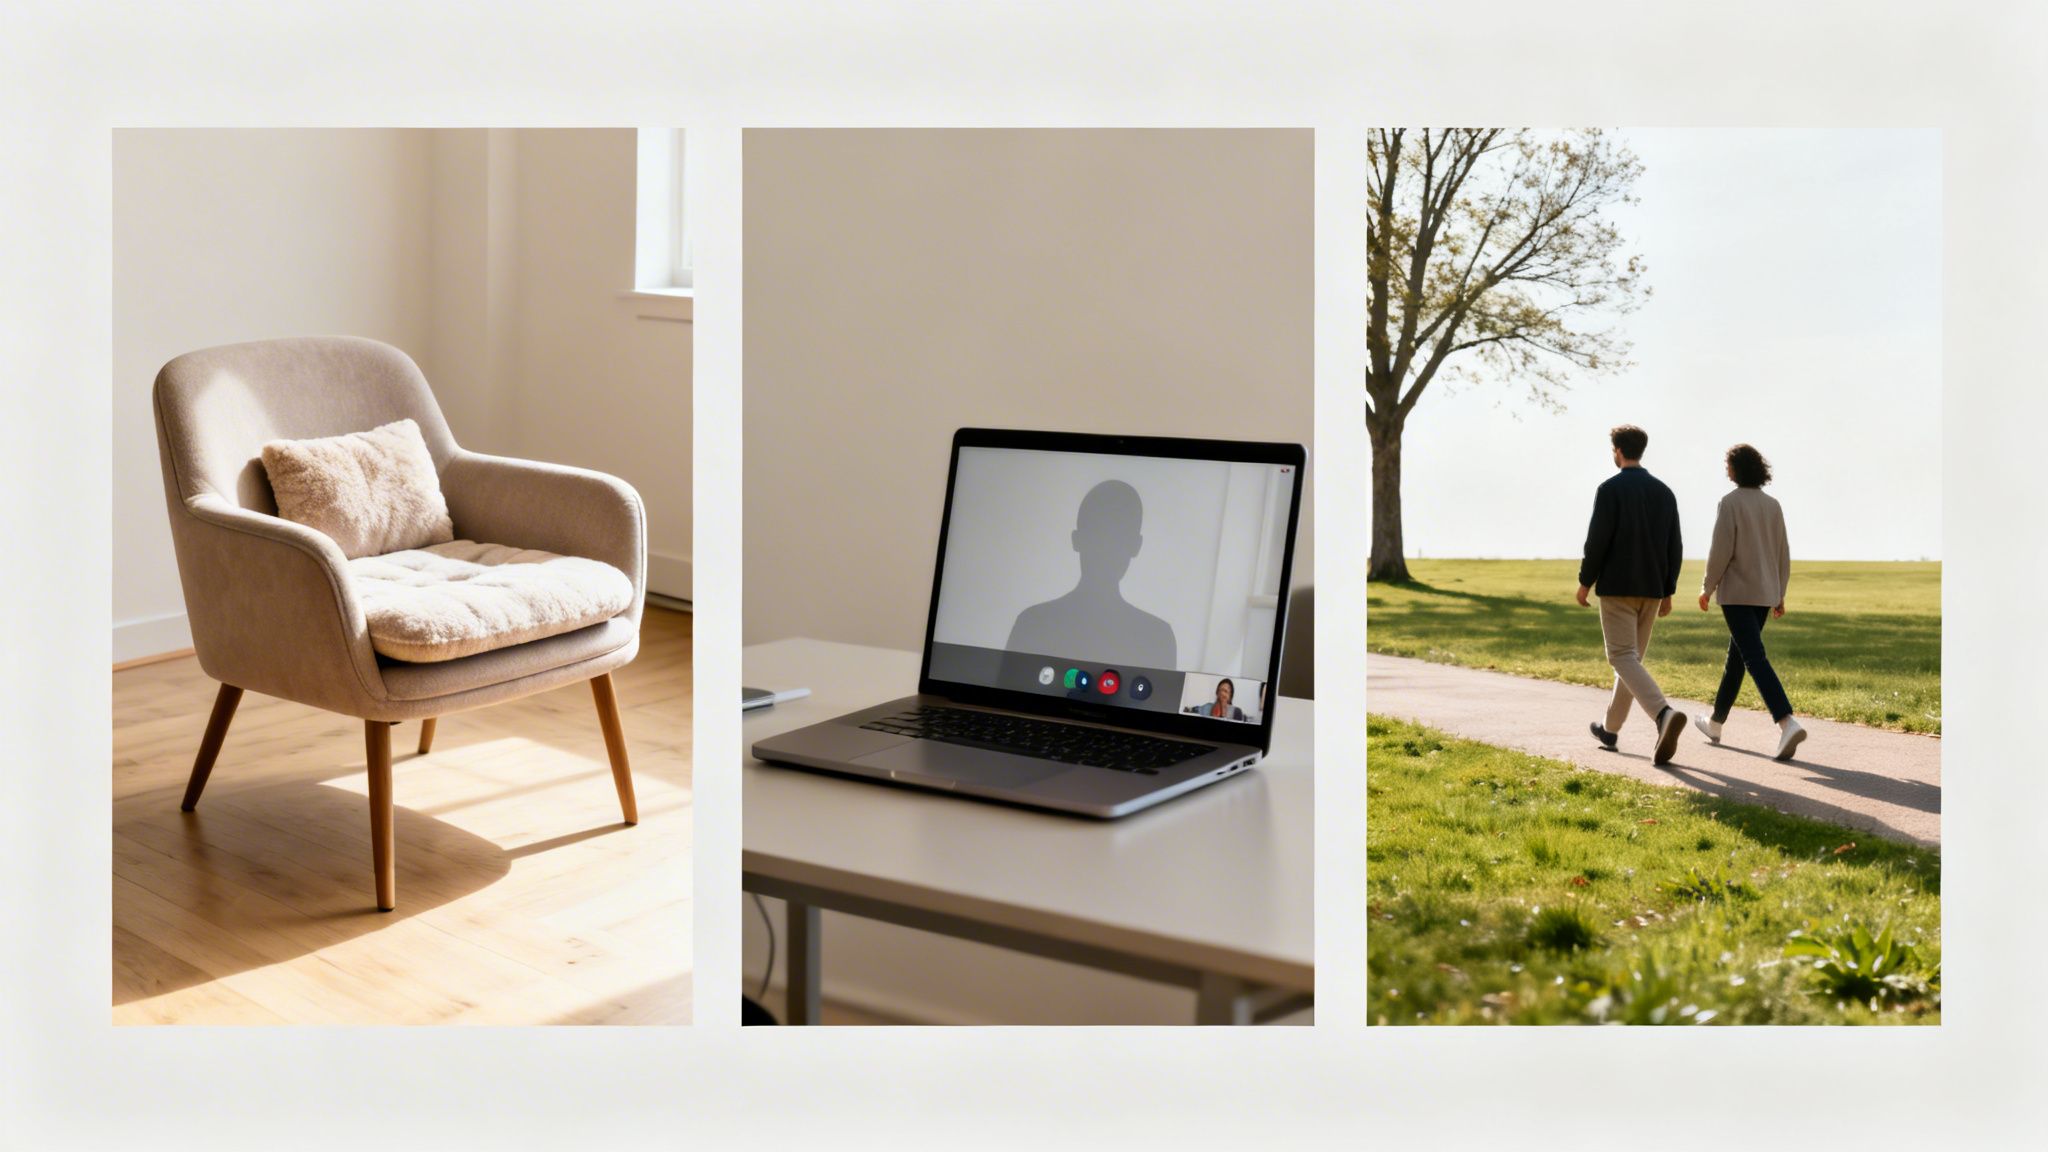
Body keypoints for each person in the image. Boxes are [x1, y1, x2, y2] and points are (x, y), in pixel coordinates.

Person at [1577, 424, 1688, 765]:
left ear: (1618, 451)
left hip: (1617, 588)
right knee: (1631, 661)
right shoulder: (1664, 492)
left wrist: (1585, 582)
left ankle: (1663, 714)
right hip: (1652, 591)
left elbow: (1598, 539)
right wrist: (1668, 589)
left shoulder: (1610, 489)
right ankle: (1610, 729)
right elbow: (1675, 546)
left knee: (1621, 657)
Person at [1694, 444, 1806, 760]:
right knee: (1738, 658)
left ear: (1736, 468)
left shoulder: (1729, 504)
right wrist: (1780, 593)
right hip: (1765, 593)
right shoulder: (1773, 505)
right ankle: (1715, 722)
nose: (1725, 470)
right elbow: (1782, 553)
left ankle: (1786, 721)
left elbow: (1720, 550)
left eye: (1727, 465)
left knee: (1754, 657)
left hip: (1738, 595)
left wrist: (1707, 587)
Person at [1007, 479, 1178, 669]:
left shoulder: (1156, 638)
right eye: (1099, 534)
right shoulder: (1033, 624)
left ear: (1135, 545)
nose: (1107, 549)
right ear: (1077, 540)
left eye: (1118, 538)